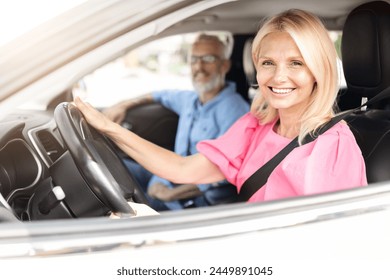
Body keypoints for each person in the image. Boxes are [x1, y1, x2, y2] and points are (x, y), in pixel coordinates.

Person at [75, 9, 367, 207]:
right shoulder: (257, 125)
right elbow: (182, 168)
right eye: (268, 63)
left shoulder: (334, 146)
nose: (279, 77)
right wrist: (109, 129)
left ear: (319, 70)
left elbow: (329, 241)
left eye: (296, 63)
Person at [102, 33, 250, 210]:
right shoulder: (190, 99)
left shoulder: (235, 110)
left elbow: (226, 171)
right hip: (170, 178)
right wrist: (124, 105)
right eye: (194, 59)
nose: (199, 66)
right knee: (108, 165)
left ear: (224, 65)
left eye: (208, 59)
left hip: (198, 202)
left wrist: (170, 194)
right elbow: (159, 95)